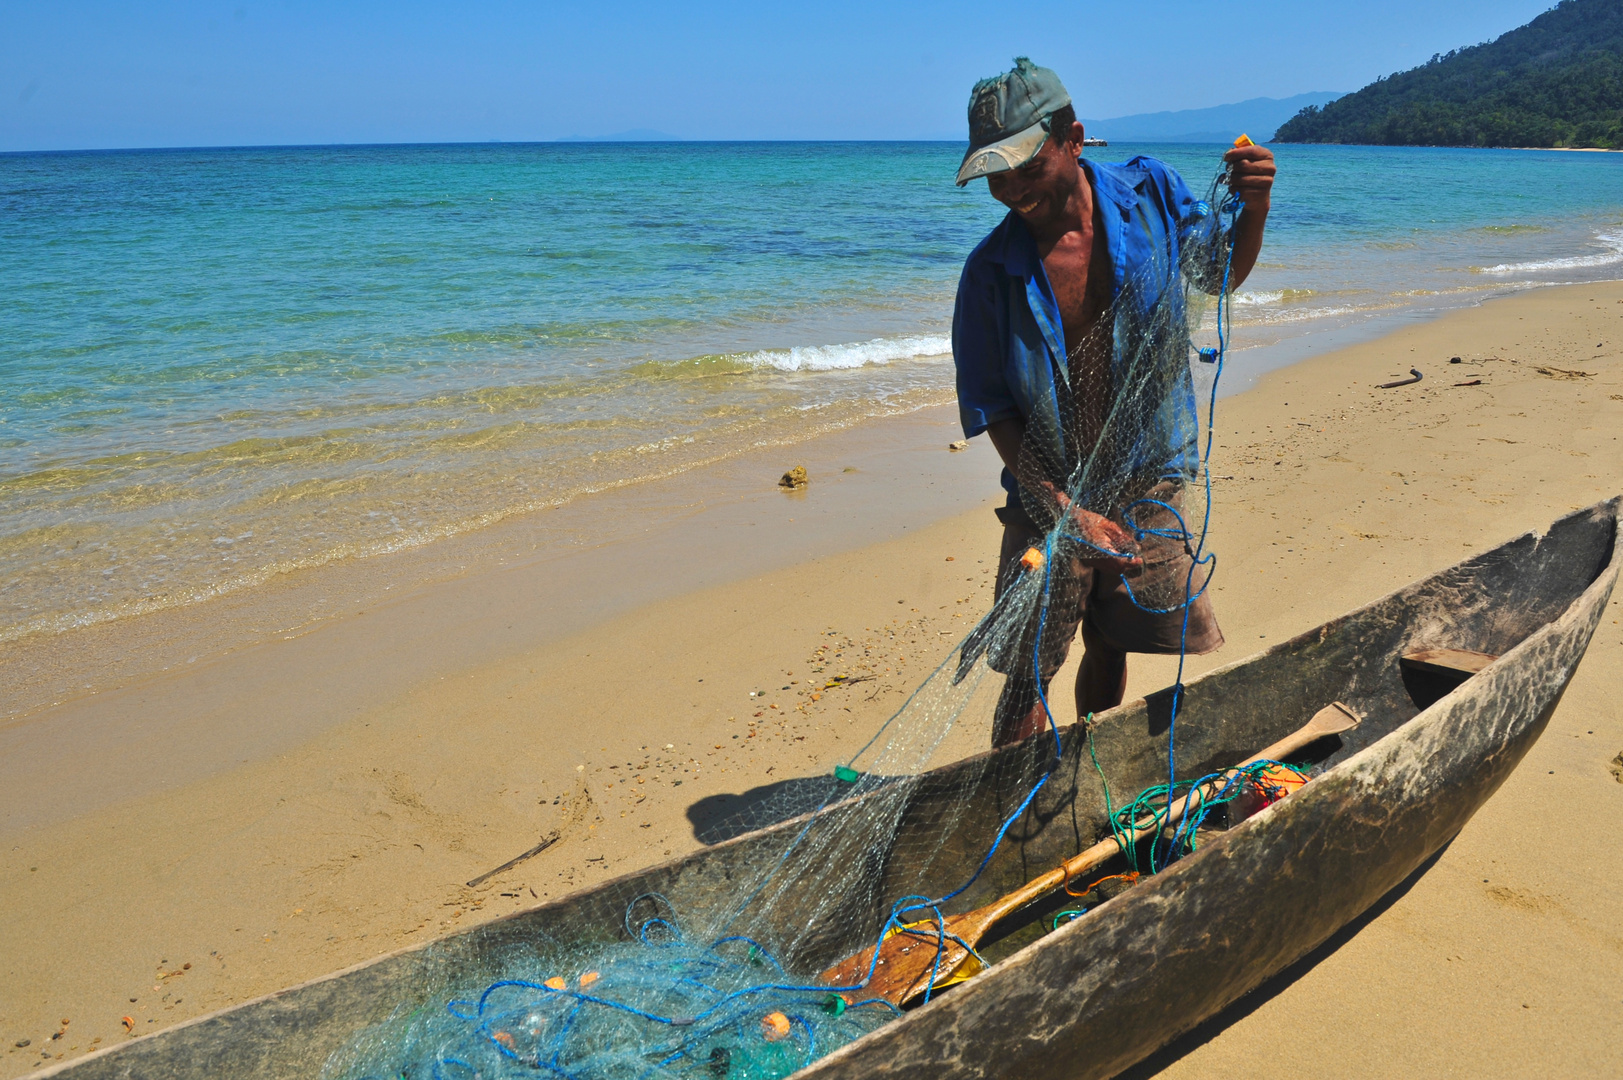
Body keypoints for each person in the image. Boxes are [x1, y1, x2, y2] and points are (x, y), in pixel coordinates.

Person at [950, 58, 1276, 747]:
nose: (1010, 190)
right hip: (1050, 489)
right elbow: (992, 411)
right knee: (1027, 672)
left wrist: (1255, 210)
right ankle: (1012, 807)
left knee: (1112, 641)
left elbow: (1216, 275)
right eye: (993, 177)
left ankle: (1089, 768)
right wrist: (1065, 512)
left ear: (1072, 136)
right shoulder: (987, 275)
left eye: (1024, 167)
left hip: (1147, 472)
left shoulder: (1150, 192)